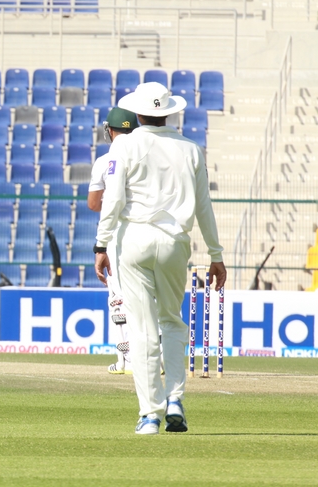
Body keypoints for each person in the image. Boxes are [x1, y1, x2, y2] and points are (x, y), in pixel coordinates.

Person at [94, 82, 226, 435]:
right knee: (171, 321)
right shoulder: (190, 148)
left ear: (137, 112)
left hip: (132, 239)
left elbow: (114, 199)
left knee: (142, 329)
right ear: (169, 111)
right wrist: (215, 254)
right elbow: (203, 206)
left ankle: (149, 414)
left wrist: (100, 244)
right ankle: (175, 400)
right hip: (174, 242)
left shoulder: (124, 144)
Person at [88, 107, 138, 375]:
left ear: (110, 130)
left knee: (119, 298)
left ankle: (126, 360)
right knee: (152, 299)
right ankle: (160, 360)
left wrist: (101, 244)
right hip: (151, 233)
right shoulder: (148, 160)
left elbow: (94, 204)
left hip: (118, 236)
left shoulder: (105, 161)